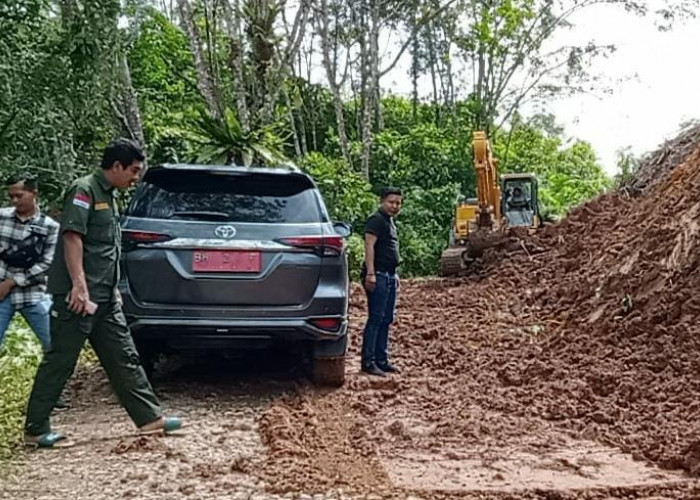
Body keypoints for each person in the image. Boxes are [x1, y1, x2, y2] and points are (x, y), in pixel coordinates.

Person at [24, 139, 182, 448]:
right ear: (117, 166)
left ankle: (149, 418)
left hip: (106, 297)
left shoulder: (110, 196)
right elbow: (72, 239)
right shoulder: (84, 190)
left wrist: (113, 288)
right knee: (61, 360)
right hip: (79, 297)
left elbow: (107, 248)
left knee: (124, 357)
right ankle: (36, 428)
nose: (135, 177)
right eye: (133, 171)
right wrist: (79, 287)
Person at [0, 175, 69, 410]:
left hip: (34, 293)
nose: (15, 200)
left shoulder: (50, 227)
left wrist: (12, 282)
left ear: (34, 193)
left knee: (54, 344)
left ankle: (51, 395)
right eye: (11, 196)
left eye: (20, 195)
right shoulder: (2, 218)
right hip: (1, 293)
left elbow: (47, 263)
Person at [360, 187, 402, 377]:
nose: (394, 206)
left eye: (398, 203)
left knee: (386, 319)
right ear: (382, 201)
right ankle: (368, 362)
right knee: (376, 318)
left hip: (389, 275)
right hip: (378, 274)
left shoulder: (389, 222)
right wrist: (370, 273)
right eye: (391, 202)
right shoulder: (376, 220)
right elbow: (369, 246)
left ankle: (382, 360)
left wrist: (395, 276)